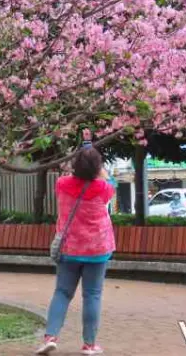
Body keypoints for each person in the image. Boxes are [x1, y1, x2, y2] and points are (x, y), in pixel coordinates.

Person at [37, 147, 115, 356]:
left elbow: (73, 180)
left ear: (75, 165)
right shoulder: (104, 187)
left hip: (69, 248)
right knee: (92, 295)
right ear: (97, 167)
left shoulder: (62, 184)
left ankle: (50, 337)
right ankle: (89, 345)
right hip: (97, 249)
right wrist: (101, 172)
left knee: (62, 293)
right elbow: (109, 185)